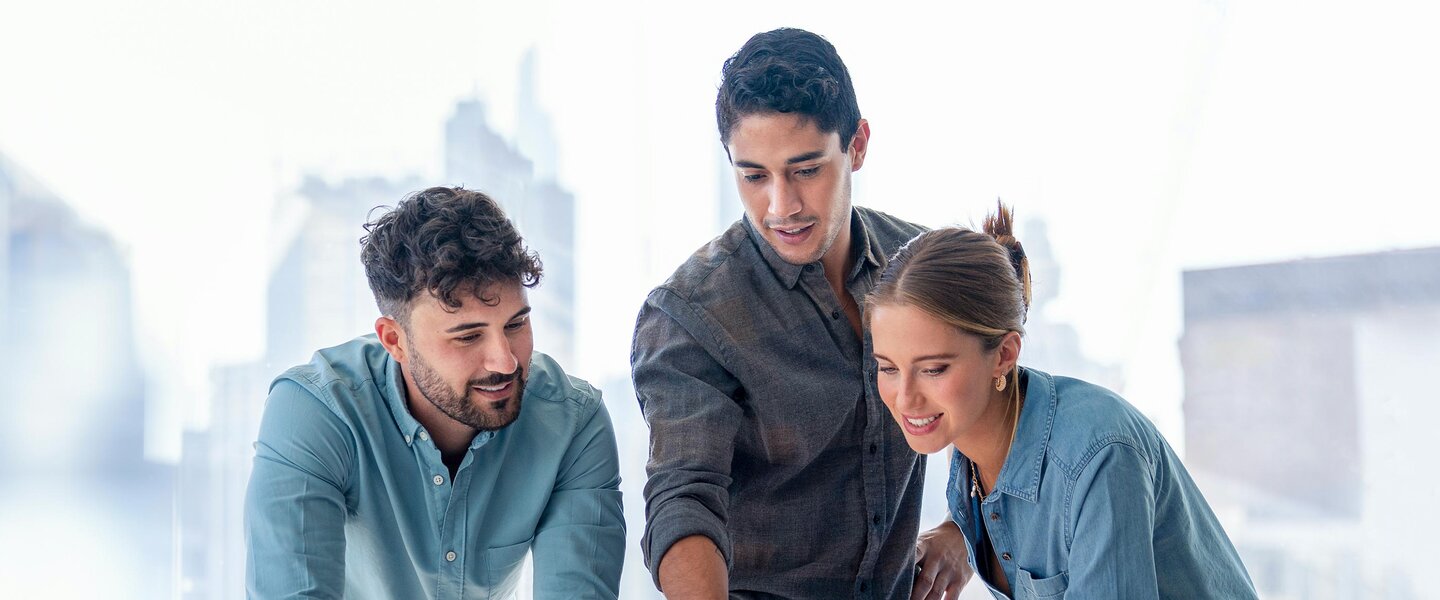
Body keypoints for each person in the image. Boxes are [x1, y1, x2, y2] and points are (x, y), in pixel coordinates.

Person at [631, 28, 971, 599]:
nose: (780, 207)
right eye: (753, 175)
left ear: (857, 144)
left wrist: (963, 524)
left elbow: (999, 397)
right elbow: (683, 498)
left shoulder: (925, 268)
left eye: (806, 170)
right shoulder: (689, 314)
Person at [245, 186, 625, 599]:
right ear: (395, 340)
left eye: (515, 325)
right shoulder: (315, 413)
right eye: (467, 336)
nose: (506, 362)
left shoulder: (573, 423)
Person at [866, 202, 1258, 598]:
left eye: (933, 369)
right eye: (888, 368)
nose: (905, 398)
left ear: (1004, 354)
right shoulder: (969, 446)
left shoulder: (1096, 459)